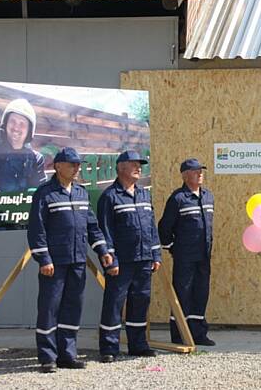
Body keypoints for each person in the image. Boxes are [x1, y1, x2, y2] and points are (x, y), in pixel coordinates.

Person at [27, 147, 112, 373]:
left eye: (78, 164)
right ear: (58, 166)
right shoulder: (45, 193)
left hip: (77, 261)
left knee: (73, 308)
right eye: (72, 164)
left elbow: (92, 226)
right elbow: (37, 229)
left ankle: (67, 354)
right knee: (49, 309)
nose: (77, 168)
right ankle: (47, 357)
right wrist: (44, 258)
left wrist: (102, 250)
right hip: (54, 264)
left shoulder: (81, 193)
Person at [97, 150, 162, 362]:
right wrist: (111, 260)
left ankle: (138, 345)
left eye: (139, 164)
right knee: (114, 303)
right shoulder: (109, 196)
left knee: (140, 302)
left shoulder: (144, 194)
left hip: (144, 260)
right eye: (134, 164)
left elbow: (151, 227)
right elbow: (105, 232)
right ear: (121, 167)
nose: (138, 167)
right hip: (122, 262)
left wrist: (156, 254)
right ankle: (109, 348)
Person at [158, 158, 215, 346]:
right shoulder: (178, 199)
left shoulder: (208, 196)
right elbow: (165, 227)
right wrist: (171, 247)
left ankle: (199, 333)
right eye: (195, 171)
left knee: (201, 293)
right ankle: (179, 334)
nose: (200, 174)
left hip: (203, 256)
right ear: (185, 175)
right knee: (182, 294)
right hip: (185, 257)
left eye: (201, 171)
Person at [0, 98, 47, 192]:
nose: (16, 128)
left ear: (29, 130)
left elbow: (39, 192)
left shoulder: (36, 160)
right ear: (5, 123)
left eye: (22, 124)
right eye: (13, 121)